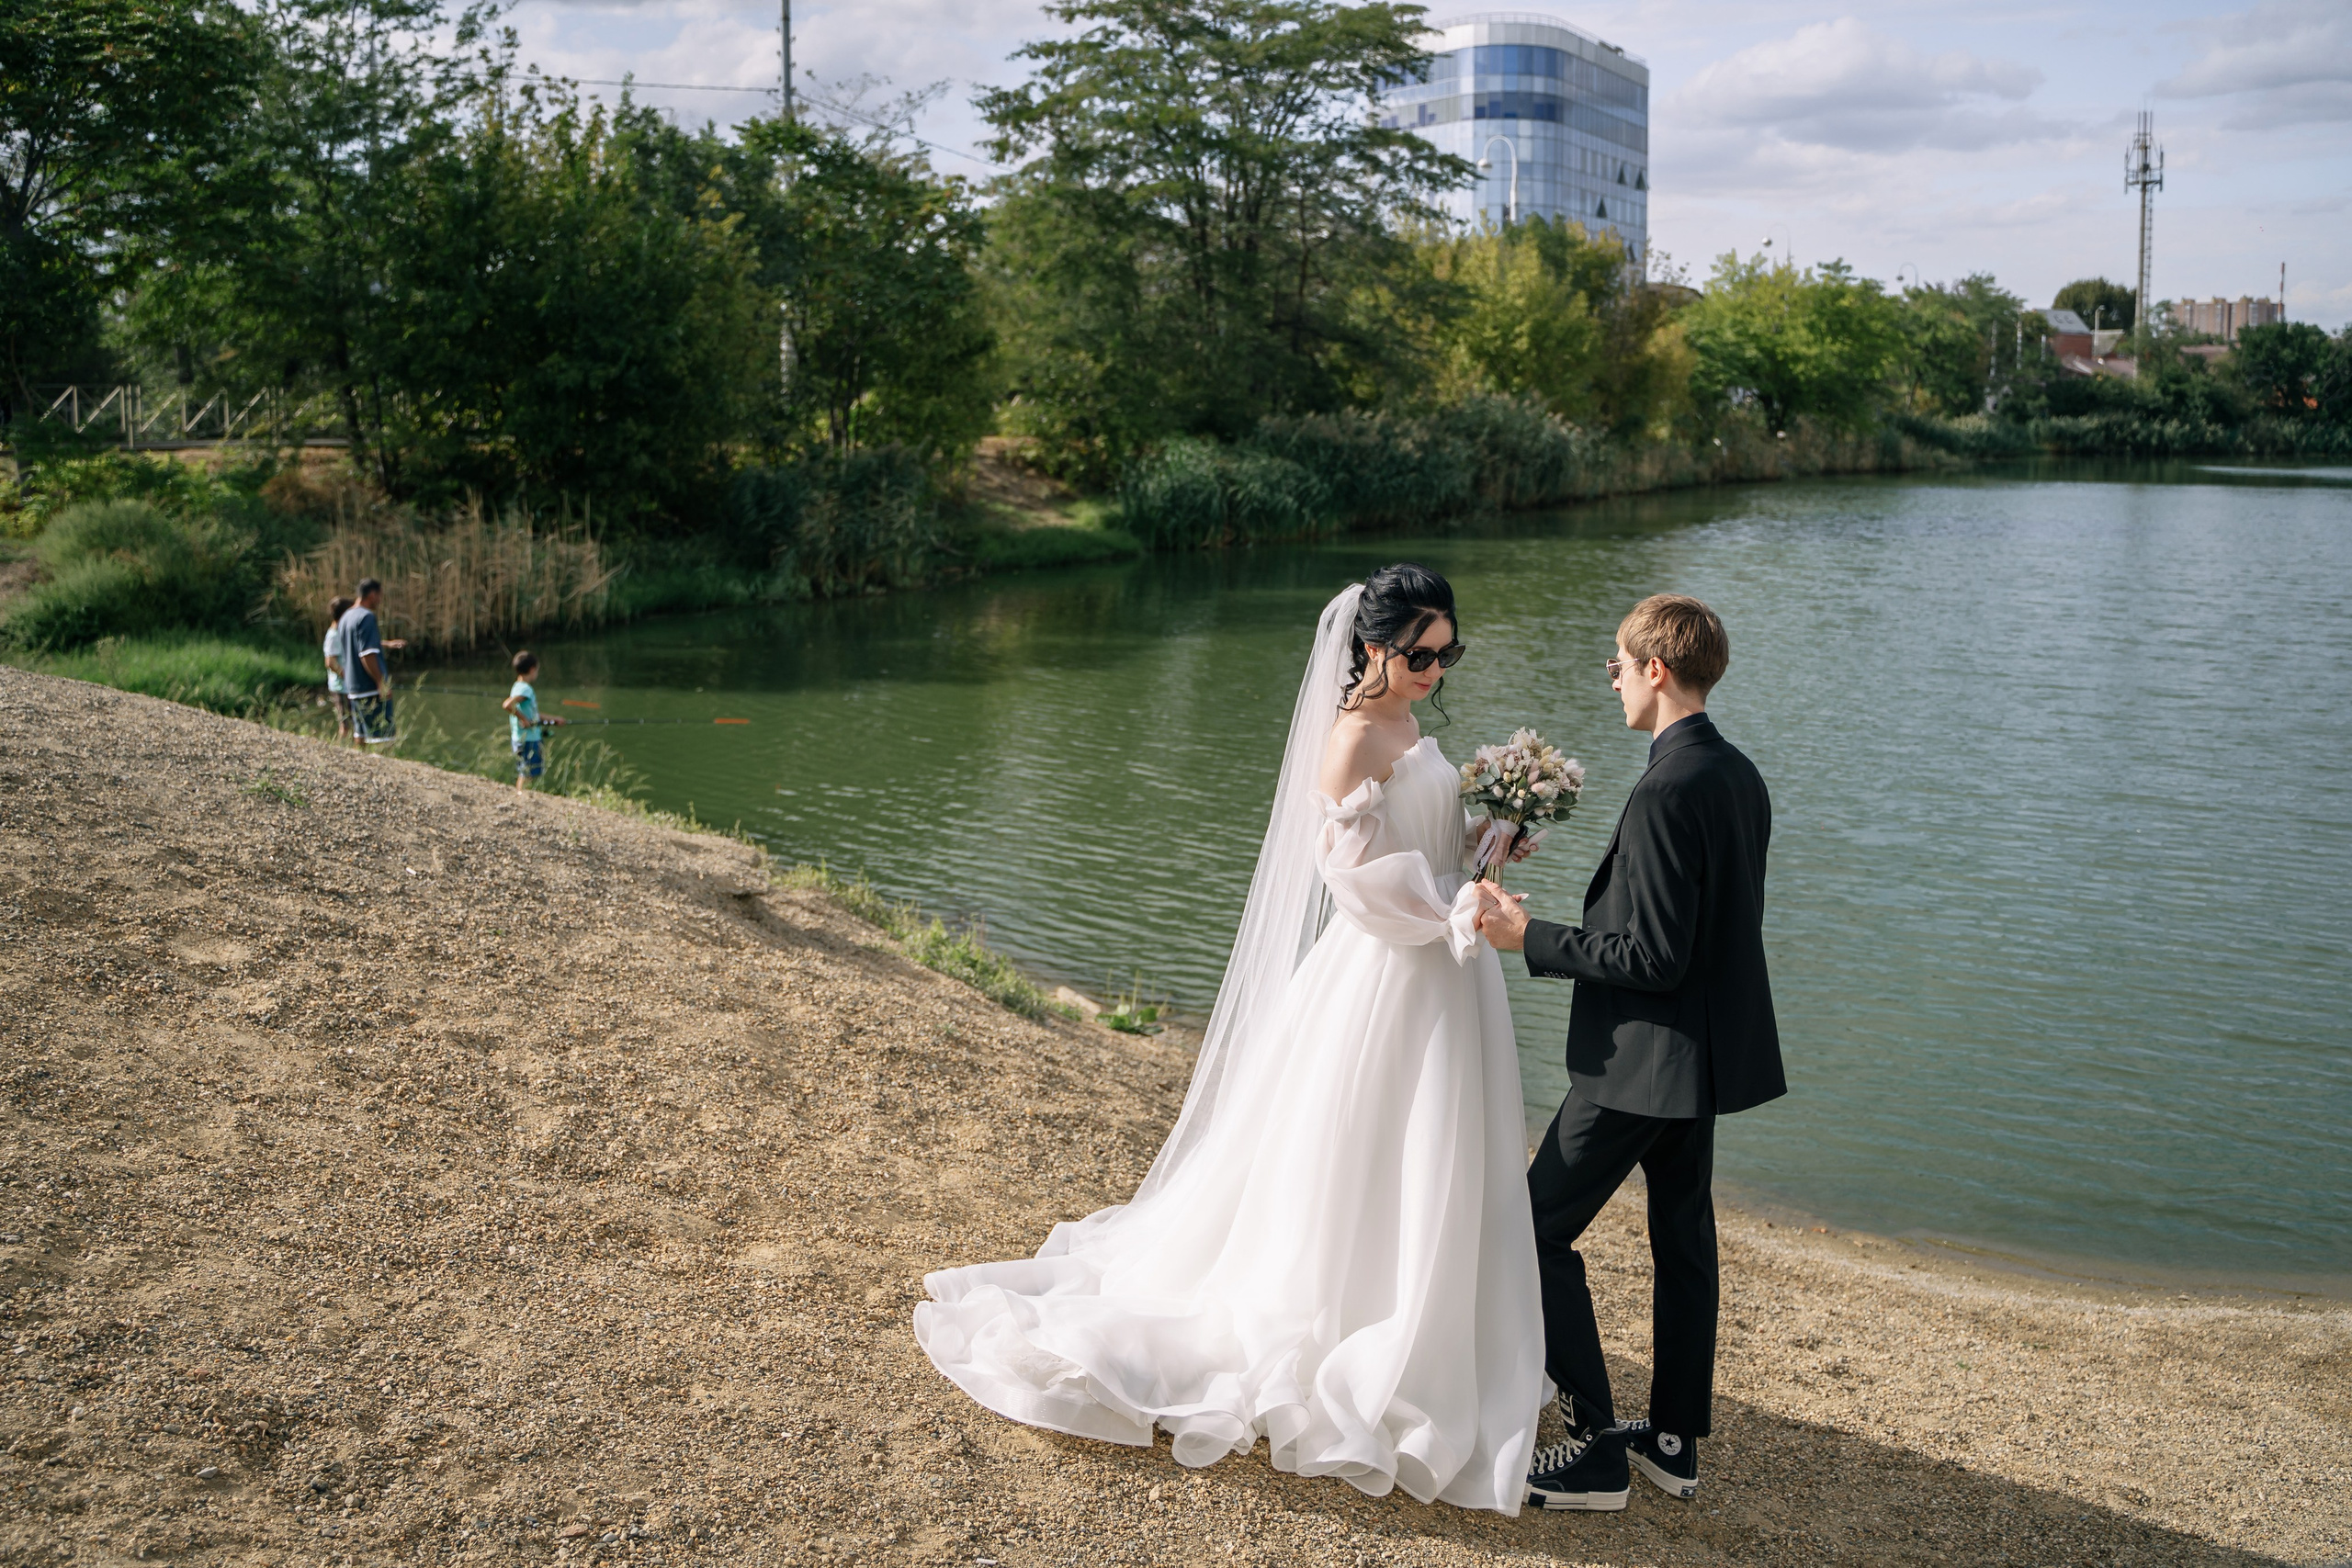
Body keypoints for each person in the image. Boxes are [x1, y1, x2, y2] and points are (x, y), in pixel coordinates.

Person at [914, 566, 1550, 1512]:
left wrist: (1490, 842)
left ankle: (1426, 1320)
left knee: (1435, 1156)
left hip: (1447, 973)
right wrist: (1457, 904)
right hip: (1387, 977)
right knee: (1370, 1148)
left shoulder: (1411, 727)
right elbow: (1359, 885)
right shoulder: (1346, 742)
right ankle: (1347, 1323)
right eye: (1420, 653)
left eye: (1446, 653)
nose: (1434, 669)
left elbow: (1428, 842)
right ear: (1371, 647)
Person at [1475, 593, 1782, 1513]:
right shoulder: (1736, 774)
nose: (1609, 676)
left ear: (1654, 669)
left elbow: (1652, 957)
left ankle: (1596, 1445)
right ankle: (1673, 1444)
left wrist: (1525, 937)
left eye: (1617, 662)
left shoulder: (1664, 789)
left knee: (1531, 1231)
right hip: (1702, 1062)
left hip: (1641, 1064)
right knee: (1683, 1244)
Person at [334, 579, 406, 746]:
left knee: (360, 737)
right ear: (372, 595)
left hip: (353, 688)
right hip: (370, 689)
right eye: (380, 596)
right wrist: (381, 683)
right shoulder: (367, 617)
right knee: (383, 740)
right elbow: (367, 654)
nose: (380, 600)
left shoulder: (346, 617)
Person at [502, 651, 565, 793]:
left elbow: (533, 715)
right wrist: (524, 719)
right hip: (529, 740)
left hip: (520, 738)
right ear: (532, 669)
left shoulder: (517, 686)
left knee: (525, 772)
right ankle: (521, 796)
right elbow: (507, 705)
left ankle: (521, 794)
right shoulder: (525, 689)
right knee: (528, 773)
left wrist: (554, 720)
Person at [322, 595, 355, 742]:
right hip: (341, 687)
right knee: (346, 726)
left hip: (347, 687)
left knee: (354, 723)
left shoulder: (342, 632)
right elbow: (330, 662)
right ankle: (339, 751)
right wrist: (347, 676)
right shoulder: (333, 635)